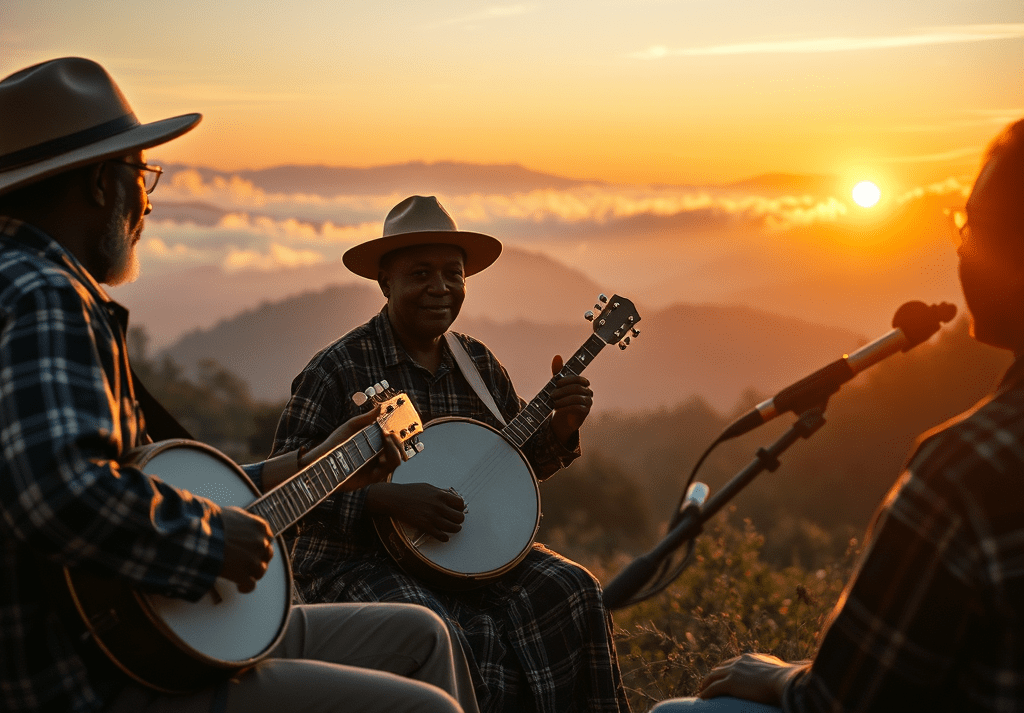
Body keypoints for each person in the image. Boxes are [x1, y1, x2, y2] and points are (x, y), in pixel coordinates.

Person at [0, 57, 480, 713]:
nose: (147, 201)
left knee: (421, 636)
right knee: (426, 709)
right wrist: (206, 540)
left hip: (143, 632)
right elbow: (58, 493)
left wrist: (313, 462)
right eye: (142, 176)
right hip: (98, 675)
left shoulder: (28, 284)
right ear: (98, 186)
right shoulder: (47, 295)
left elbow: (137, 481)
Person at [650, 119, 1024, 712]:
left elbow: (843, 701)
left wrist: (776, 676)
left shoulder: (969, 467)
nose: (959, 246)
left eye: (970, 228)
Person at [270, 195, 631, 713]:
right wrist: (387, 501)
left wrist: (562, 428)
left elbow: (510, 466)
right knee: (453, 631)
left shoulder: (478, 364)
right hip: (355, 561)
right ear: (384, 282)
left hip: (467, 554)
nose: (440, 288)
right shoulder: (337, 370)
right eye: (421, 273)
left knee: (574, 589)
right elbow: (288, 497)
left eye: (452, 274)